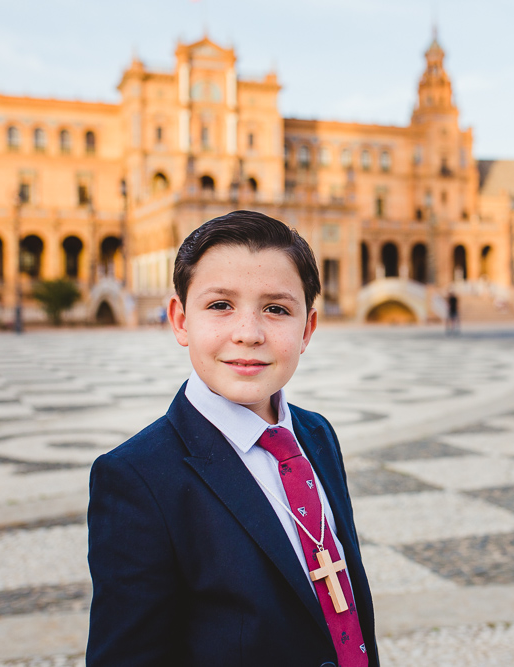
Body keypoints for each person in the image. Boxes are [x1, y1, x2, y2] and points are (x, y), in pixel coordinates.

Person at [87, 210, 378, 666]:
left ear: (308, 329)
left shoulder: (317, 434)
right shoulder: (137, 478)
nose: (249, 334)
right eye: (220, 305)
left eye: (276, 309)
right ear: (181, 321)